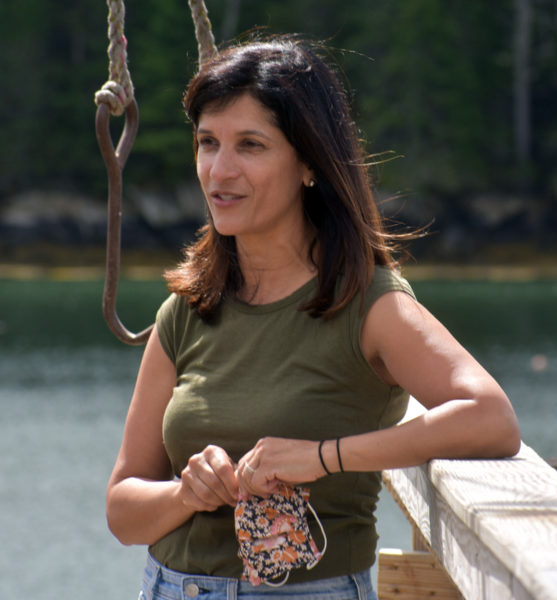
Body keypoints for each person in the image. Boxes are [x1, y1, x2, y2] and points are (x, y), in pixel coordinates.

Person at [106, 35, 521, 600]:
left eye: (250, 145)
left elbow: (491, 419)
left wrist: (322, 458)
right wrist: (186, 493)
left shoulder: (369, 302)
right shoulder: (186, 309)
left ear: (308, 164)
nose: (219, 170)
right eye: (207, 142)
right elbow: (123, 512)